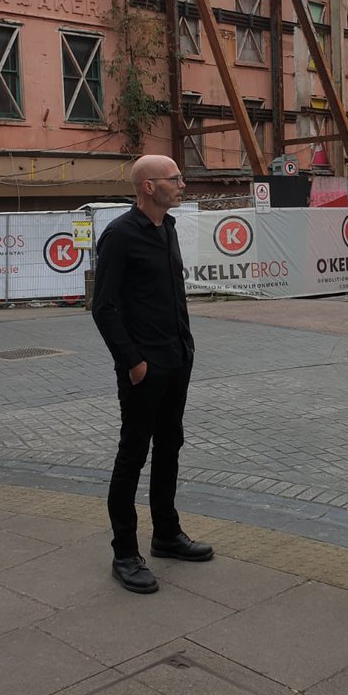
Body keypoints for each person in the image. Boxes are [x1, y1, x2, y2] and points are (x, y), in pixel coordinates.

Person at [92, 154, 213, 594]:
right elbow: (103, 308)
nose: (182, 183)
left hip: (177, 359)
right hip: (144, 369)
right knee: (132, 455)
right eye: (174, 178)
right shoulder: (120, 236)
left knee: (170, 446)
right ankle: (125, 552)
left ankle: (166, 534)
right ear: (148, 187)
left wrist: (186, 347)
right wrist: (133, 362)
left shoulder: (168, 229)